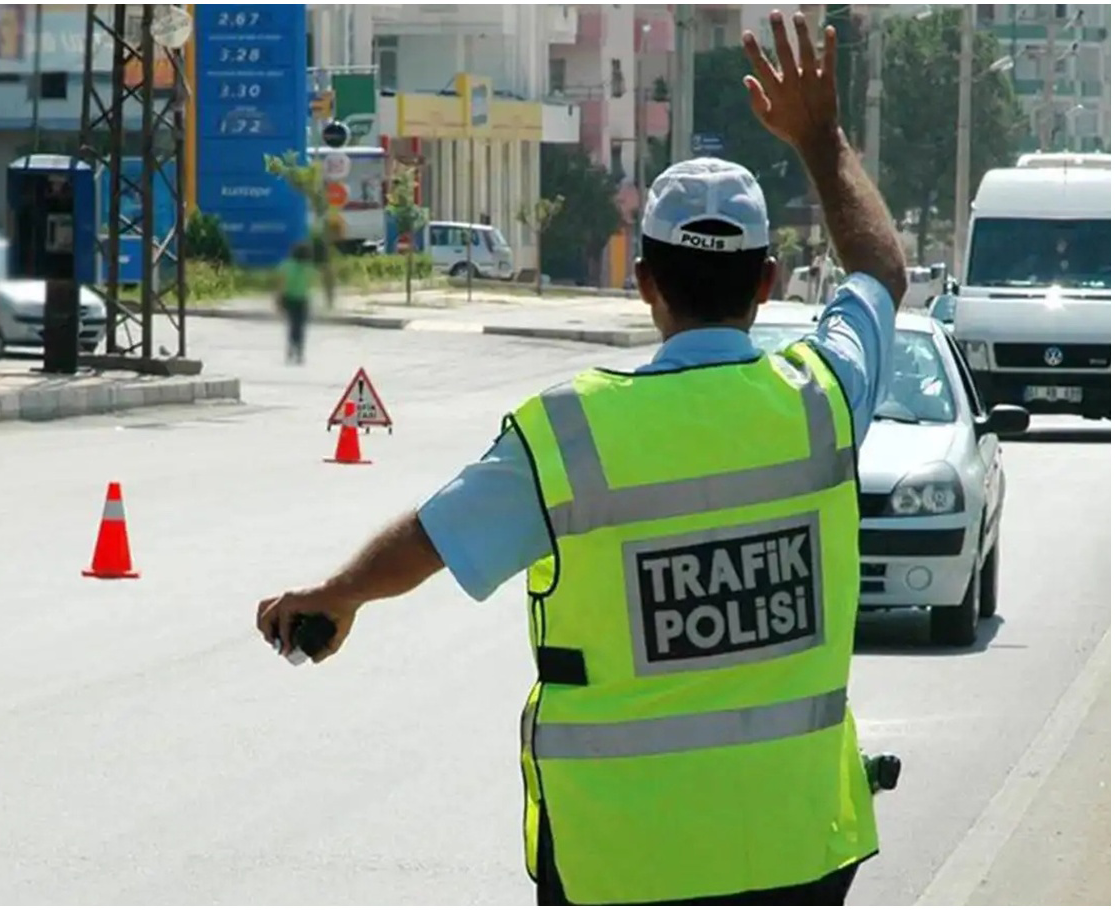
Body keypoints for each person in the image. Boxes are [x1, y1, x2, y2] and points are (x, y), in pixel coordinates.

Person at [255, 11, 907, 907]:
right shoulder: (824, 396)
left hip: (619, 861)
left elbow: (437, 536)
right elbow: (880, 273)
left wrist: (337, 596)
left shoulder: (570, 436)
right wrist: (823, 139)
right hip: (798, 851)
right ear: (770, 283)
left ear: (644, 281)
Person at [276, 241, 315, 364]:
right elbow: (309, 284)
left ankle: (291, 350)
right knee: (301, 327)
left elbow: (281, 283)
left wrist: (279, 299)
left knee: (292, 326)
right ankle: (299, 352)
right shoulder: (308, 267)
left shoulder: (286, 265)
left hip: (290, 299)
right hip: (302, 300)